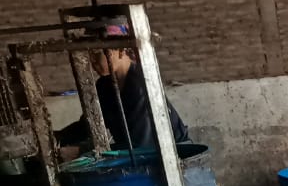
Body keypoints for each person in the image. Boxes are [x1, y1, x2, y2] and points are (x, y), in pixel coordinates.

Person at [56, 23, 189, 154]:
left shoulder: (143, 85)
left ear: (120, 50)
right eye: (90, 53)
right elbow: (89, 126)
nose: (93, 60)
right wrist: (57, 138)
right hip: (138, 155)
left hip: (175, 155)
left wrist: (81, 151)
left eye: (97, 53)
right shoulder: (104, 86)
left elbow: (140, 145)